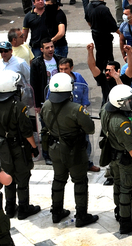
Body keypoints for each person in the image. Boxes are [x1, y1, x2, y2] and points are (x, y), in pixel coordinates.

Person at [41, 72, 98, 227]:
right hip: (74, 151)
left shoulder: (45, 105)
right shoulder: (77, 109)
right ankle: (81, 215)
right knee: (79, 181)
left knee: (59, 178)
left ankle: (56, 212)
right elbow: (90, 128)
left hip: (54, 149)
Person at [0, 70, 40, 219]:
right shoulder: (18, 106)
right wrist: (34, 147)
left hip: (2, 147)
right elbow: (27, 131)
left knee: (7, 176)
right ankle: (23, 208)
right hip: (18, 147)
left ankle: (9, 208)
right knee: (22, 176)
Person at [99, 84, 132, 234]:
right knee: (127, 188)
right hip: (124, 158)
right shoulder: (122, 124)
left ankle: (119, 211)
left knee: (117, 184)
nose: (131, 103)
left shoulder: (106, 110)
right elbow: (131, 148)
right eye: (127, 101)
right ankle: (126, 222)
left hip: (113, 154)